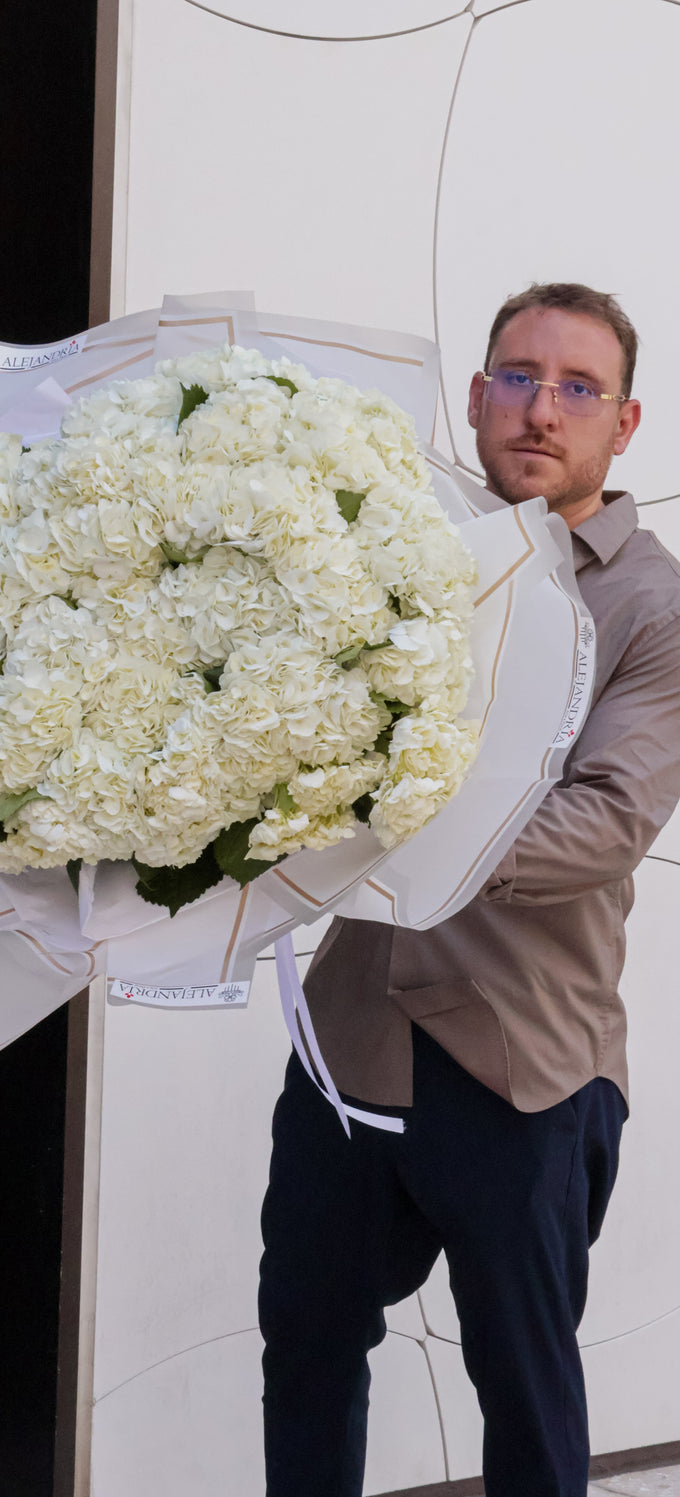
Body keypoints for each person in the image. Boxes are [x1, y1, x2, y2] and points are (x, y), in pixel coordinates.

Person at [258, 283, 680, 1497]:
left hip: (526, 1062)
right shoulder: (392, 550)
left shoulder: (651, 607)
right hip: (351, 1039)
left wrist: (394, 821)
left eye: (577, 387)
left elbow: (605, 824)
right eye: (516, 376)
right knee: (311, 1347)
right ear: (477, 395)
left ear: (625, 420)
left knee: (524, 1384)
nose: (541, 410)